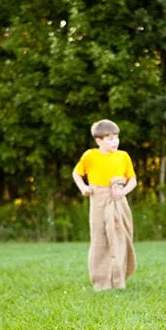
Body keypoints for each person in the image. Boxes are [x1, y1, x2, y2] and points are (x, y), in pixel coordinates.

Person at [72, 119, 137, 290]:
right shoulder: (90, 156)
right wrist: (84, 188)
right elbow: (77, 174)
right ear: (98, 140)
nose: (114, 142)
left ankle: (119, 279)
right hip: (99, 200)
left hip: (118, 199)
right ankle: (101, 282)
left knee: (120, 236)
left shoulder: (123, 156)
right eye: (109, 138)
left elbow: (133, 180)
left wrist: (123, 192)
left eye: (116, 137)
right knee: (100, 238)